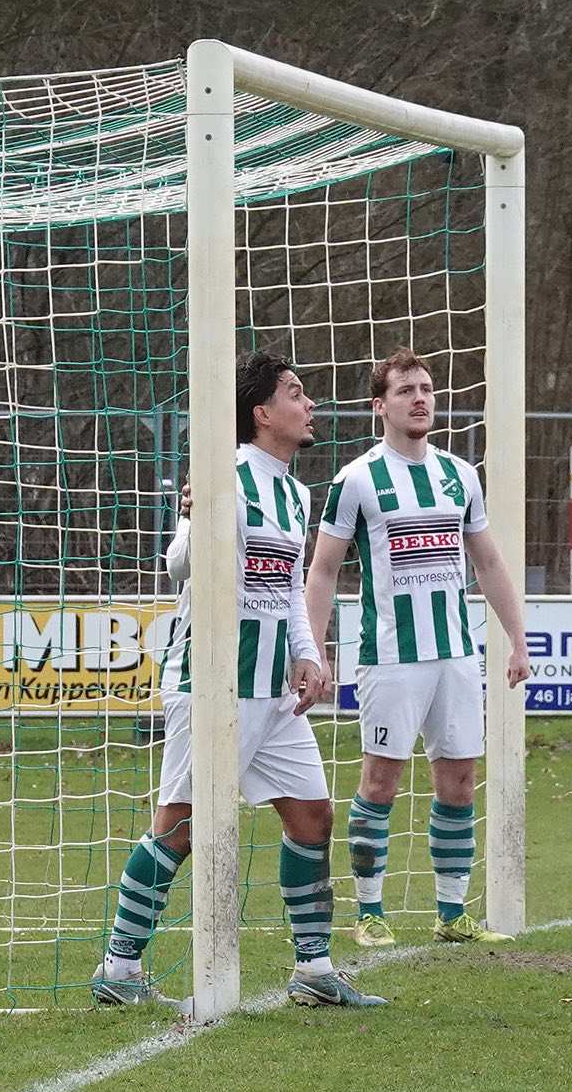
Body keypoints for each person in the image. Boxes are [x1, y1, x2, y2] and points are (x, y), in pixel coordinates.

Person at [93, 351, 384, 1009]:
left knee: (312, 814)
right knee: (179, 826)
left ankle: (313, 971)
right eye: (296, 393)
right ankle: (118, 970)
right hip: (212, 682)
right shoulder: (224, 474)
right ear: (263, 412)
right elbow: (176, 566)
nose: (309, 405)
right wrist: (197, 515)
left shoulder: (295, 490)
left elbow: (285, 593)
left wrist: (309, 656)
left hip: (274, 693)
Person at [305, 348, 530, 947]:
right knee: (380, 781)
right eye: (406, 390)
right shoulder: (355, 480)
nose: (421, 398)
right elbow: (324, 569)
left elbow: (486, 559)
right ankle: (370, 912)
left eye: (427, 388)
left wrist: (517, 639)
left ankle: (452, 913)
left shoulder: (460, 474)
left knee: (458, 779)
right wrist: (316, 648)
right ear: (380, 405)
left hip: (457, 653)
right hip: (390, 656)